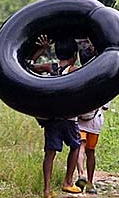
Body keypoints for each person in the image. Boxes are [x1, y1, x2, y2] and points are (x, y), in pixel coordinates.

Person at [30, 37, 83, 198]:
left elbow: (29, 66)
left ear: (56, 52)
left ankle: (47, 190)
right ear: (75, 54)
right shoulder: (75, 70)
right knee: (75, 146)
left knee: (50, 153)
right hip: (68, 117)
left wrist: (41, 50)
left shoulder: (50, 67)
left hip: (51, 118)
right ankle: (68, 182)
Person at [74, 46, 108, 195]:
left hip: (79, 118)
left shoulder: (75, 75)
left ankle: (81, 174)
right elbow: (105, 106)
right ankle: (90, 183)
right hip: (95, 120)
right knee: (91, 152)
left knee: (80, 147)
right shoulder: (101, 78)